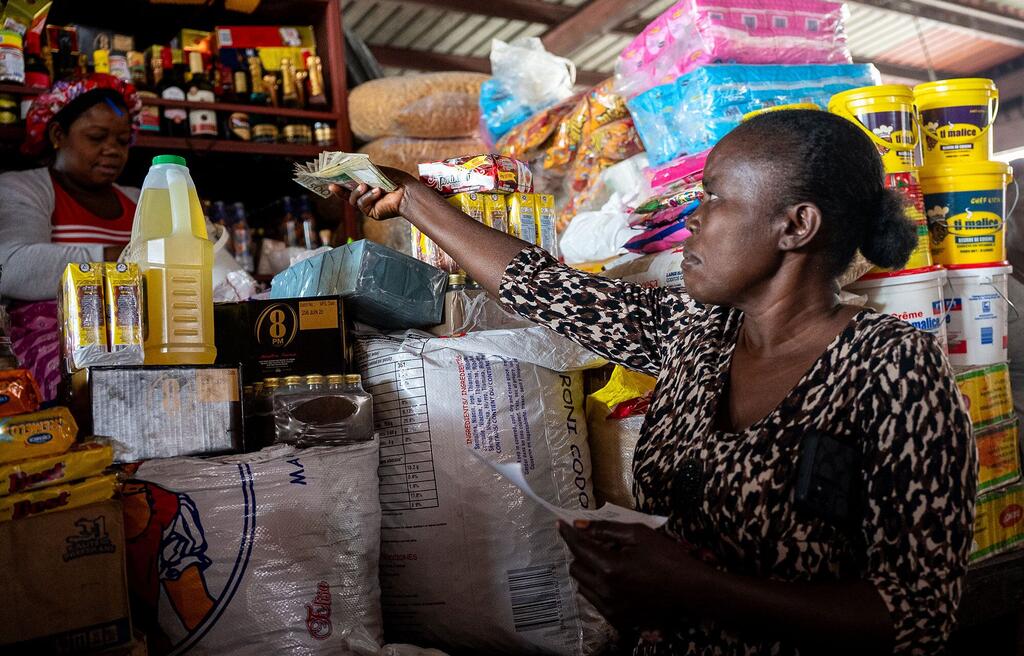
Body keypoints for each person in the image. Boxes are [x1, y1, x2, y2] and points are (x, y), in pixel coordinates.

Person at [340, 110, 976, 655]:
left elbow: (918, 619)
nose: (693, 220)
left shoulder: (895, 371)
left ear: (796, 226)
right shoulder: (700, 333)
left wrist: (698, 588)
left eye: (715, 198)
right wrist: (414, 200)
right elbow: (544, 288)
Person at [0, 73, 142, 399]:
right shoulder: (25, 188)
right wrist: (124, 259)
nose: (112, 151)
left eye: (122, 142)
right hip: (59, 347)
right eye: (96, 137)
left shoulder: (140, 199)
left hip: (136, 337)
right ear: (58, 134)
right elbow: (11, 266)